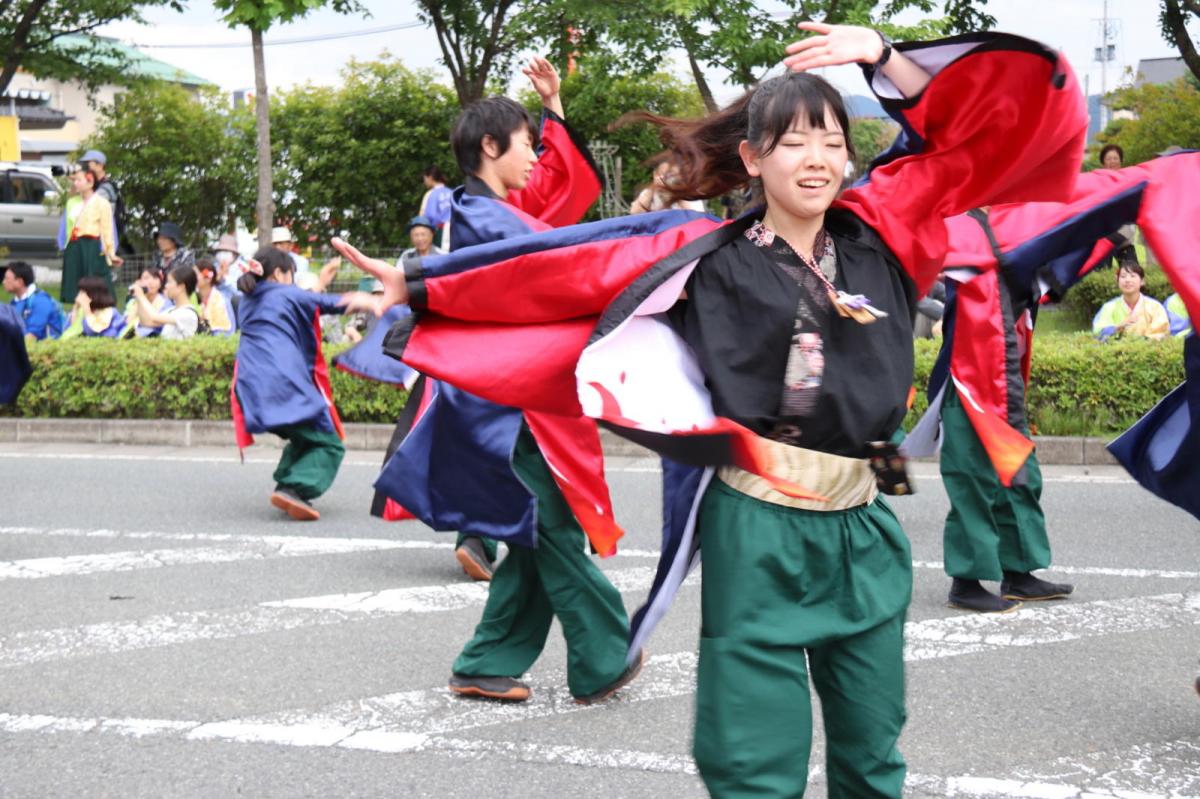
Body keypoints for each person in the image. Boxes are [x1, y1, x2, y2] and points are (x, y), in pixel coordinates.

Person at [337, 23, 1087, 794]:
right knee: (754, 762)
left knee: (873, 754)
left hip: (864, 525)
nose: (818, 158)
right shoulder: (704, 254)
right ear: (754, 158)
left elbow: (981, 139)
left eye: (832, 140)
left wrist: (884, 58)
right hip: (756, 526)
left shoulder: (886, 228)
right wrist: (422, 286)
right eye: (793, 142)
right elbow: (565, 268)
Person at [339, 56, 644, 708]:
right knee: (553, 525)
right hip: (505, 410)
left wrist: (554, 108)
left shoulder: (482, 211)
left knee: (535, 533)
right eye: (527, 143)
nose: (536, 157)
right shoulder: (483, 218)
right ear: (489, 146)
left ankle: (487, 660)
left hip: (507, 400)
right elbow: (566, 256)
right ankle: (605, 649)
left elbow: (559, 202)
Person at [231, 247, 368, 521]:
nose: (293, 281)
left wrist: (320, 284)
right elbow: (321, 302)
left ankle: (286, 483)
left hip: (251, 387)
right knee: (329, 443)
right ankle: (295, 487)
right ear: (279, 273)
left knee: (303, 436)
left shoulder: (246, 300)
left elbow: (296, 300)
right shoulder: (285, 293)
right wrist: (366, 300)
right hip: (283, 385)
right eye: (291, 275)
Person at [60, 168, 120, 304]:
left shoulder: (102, 203)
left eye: (78, 180)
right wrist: (65, 245)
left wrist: (110, 253)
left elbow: (107, 230)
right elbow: (66, 227)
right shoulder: (71, 202)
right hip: (74, 245)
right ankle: (78, 311)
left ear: (90, 181)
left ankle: (97, 311)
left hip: (92, 246)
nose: (75, 183)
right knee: (75, 284)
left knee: (94, 281)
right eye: (74, 180)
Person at [1092, 262, 1171, 340]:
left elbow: (1161, 333)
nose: (1127, 280)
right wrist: (1117, 328)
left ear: (1142, 281)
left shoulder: (1155, 307)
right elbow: (1098, 332)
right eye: (1123, 276)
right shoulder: (1109, 307)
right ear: (1117, 280)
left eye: (1133, 276)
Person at [80, 149, 130, 255]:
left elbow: (88, 206)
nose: (86, 168)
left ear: (100, 165)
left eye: (88, 164)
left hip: (105, 238)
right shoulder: (95, 185)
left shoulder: (106, 187)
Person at [130, 265, 200, 340]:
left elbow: (154, 317)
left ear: (181, 287)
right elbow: (147, 322)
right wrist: (139, 297)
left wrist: (141, 296)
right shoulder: (172, 310)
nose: (166, 286)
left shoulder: (188, 313)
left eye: (169, 282)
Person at [3, 261, 63, 341]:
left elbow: (32, 336)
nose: (3, 282)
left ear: (20, 282)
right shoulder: (14, 302)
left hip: (44, 350)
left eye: (7, 279)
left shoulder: (41, 301)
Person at [628, 155, 706, 213]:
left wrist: (676, 195)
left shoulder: (687, 194)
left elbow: (696, 216)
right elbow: (634, 212)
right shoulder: (649, 192)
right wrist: (652, 191)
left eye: (670, 176)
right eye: (662, 175)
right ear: (655, 175)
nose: (665, 180)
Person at [62, 276, 127, 339]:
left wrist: (86, 308)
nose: (79, 295)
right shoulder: (82, 310)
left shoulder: (110, 312)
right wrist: (75, 308)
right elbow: (69, 331)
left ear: (93, 294)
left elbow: (92, 331)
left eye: (83, 292)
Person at [122, 266, 171, 338]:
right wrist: (138, 297)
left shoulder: (166, 303)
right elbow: (128, 323)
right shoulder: (132, 302)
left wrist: (141, 297)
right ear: (138, 282)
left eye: (155, 278)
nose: (150, 282)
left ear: (161, 283)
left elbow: (157, 324)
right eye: (146, 278)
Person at [194, 257, 236, 336]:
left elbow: (225, 332)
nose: (192, 278)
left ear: (208, 279)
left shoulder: (220, 300)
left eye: (195, 275)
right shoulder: (193, 296)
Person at [419, 166, 453, 248]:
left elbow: (423, 216)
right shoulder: (452, 192)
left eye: (425, 179)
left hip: (439, 232)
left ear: (430, 177)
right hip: (454, 231)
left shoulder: (430, 194)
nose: (424, 182)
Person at [211, 233, 247, 301]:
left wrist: (225, 277)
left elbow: (240, 293)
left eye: (226, 251)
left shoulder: (242, 268)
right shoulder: (215, 267)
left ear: (234, 254)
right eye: (221, 251)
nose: (222, 255)